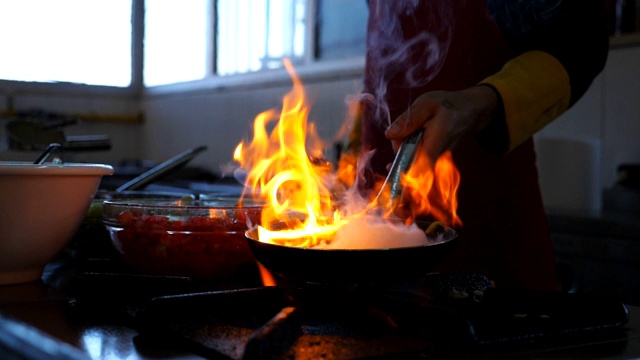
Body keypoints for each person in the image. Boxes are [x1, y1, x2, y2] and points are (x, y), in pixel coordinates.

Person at [341, 0, 610, 291]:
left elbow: (580, 45)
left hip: (487, 225)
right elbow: (383, 72)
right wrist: (351, 163)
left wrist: (477, 104)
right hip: (369, 248)